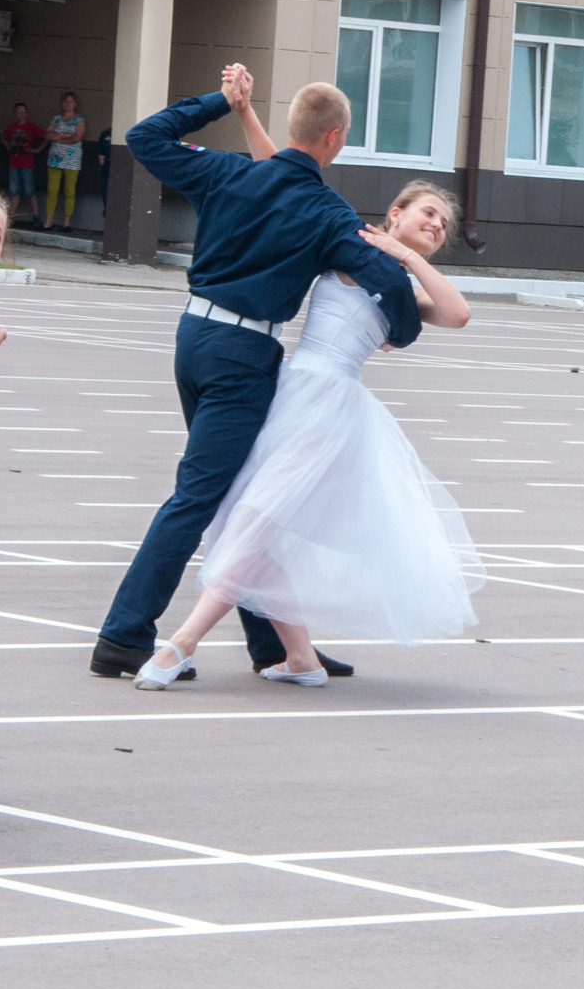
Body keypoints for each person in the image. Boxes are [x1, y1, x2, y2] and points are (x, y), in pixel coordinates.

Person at [90, 66, 423, 683]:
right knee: (203, 496)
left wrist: (218, 100)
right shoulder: (329, 213)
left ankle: (273, 643)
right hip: (244, 358)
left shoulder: (229, 172)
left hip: (193, 337)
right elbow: (387, 286)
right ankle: (124, 636)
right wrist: (401, 329)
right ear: (336, 138)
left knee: (241, 493)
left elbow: (145, 137)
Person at [136, 178, 480, 688]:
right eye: (428, 213)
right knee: (254, 525)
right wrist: (247, 113)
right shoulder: (350, 248)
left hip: (326, 406)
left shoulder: (400, 285)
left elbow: (458, 313)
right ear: (396, 212)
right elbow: (288, 176)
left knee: (253, 520)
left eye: (444, 225)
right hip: (294, 390)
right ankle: (300, 658)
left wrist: (405, 257)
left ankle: (181, 644)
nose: (436, 225)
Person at [45, 91, 87, 231]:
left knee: (69, 191)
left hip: (72, 160)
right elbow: (48, 134)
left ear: (75, 103)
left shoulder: (79, 119)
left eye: (70, 101)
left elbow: (76, 138)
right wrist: (65, 136)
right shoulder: (56, 118)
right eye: (65, 101)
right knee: (52, 190)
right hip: (54, 159)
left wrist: (59, 136)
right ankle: (49, 220)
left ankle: (67, 221)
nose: (67, 104)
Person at [3, 101, 46, 227]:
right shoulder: (11, 128)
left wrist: (37, 149)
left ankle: (36, 216)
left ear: (27, 113)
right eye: (19, 111)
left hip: (27, 163)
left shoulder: (31, 127)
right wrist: (8, 147)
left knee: (30, 191)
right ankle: (12, 217)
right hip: (14, 163)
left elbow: (45, 136)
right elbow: (3, 137)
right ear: (15, 113)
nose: (21, 114)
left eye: (24, 111)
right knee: (14, 192)